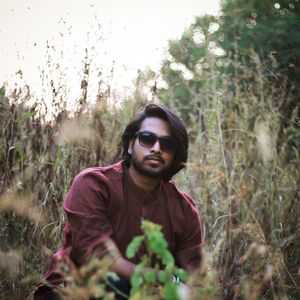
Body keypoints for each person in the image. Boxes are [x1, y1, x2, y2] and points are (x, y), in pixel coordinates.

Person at [34, 104, 204, 299]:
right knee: (108, 281)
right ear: (131, 145)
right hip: (74, 290)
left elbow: (194, 280)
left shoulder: (184, 210)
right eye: (147, 139)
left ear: (175, 155)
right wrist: (162, 278)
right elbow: (99, 259)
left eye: (167, 144)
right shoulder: (94, 184)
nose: (157, 148)